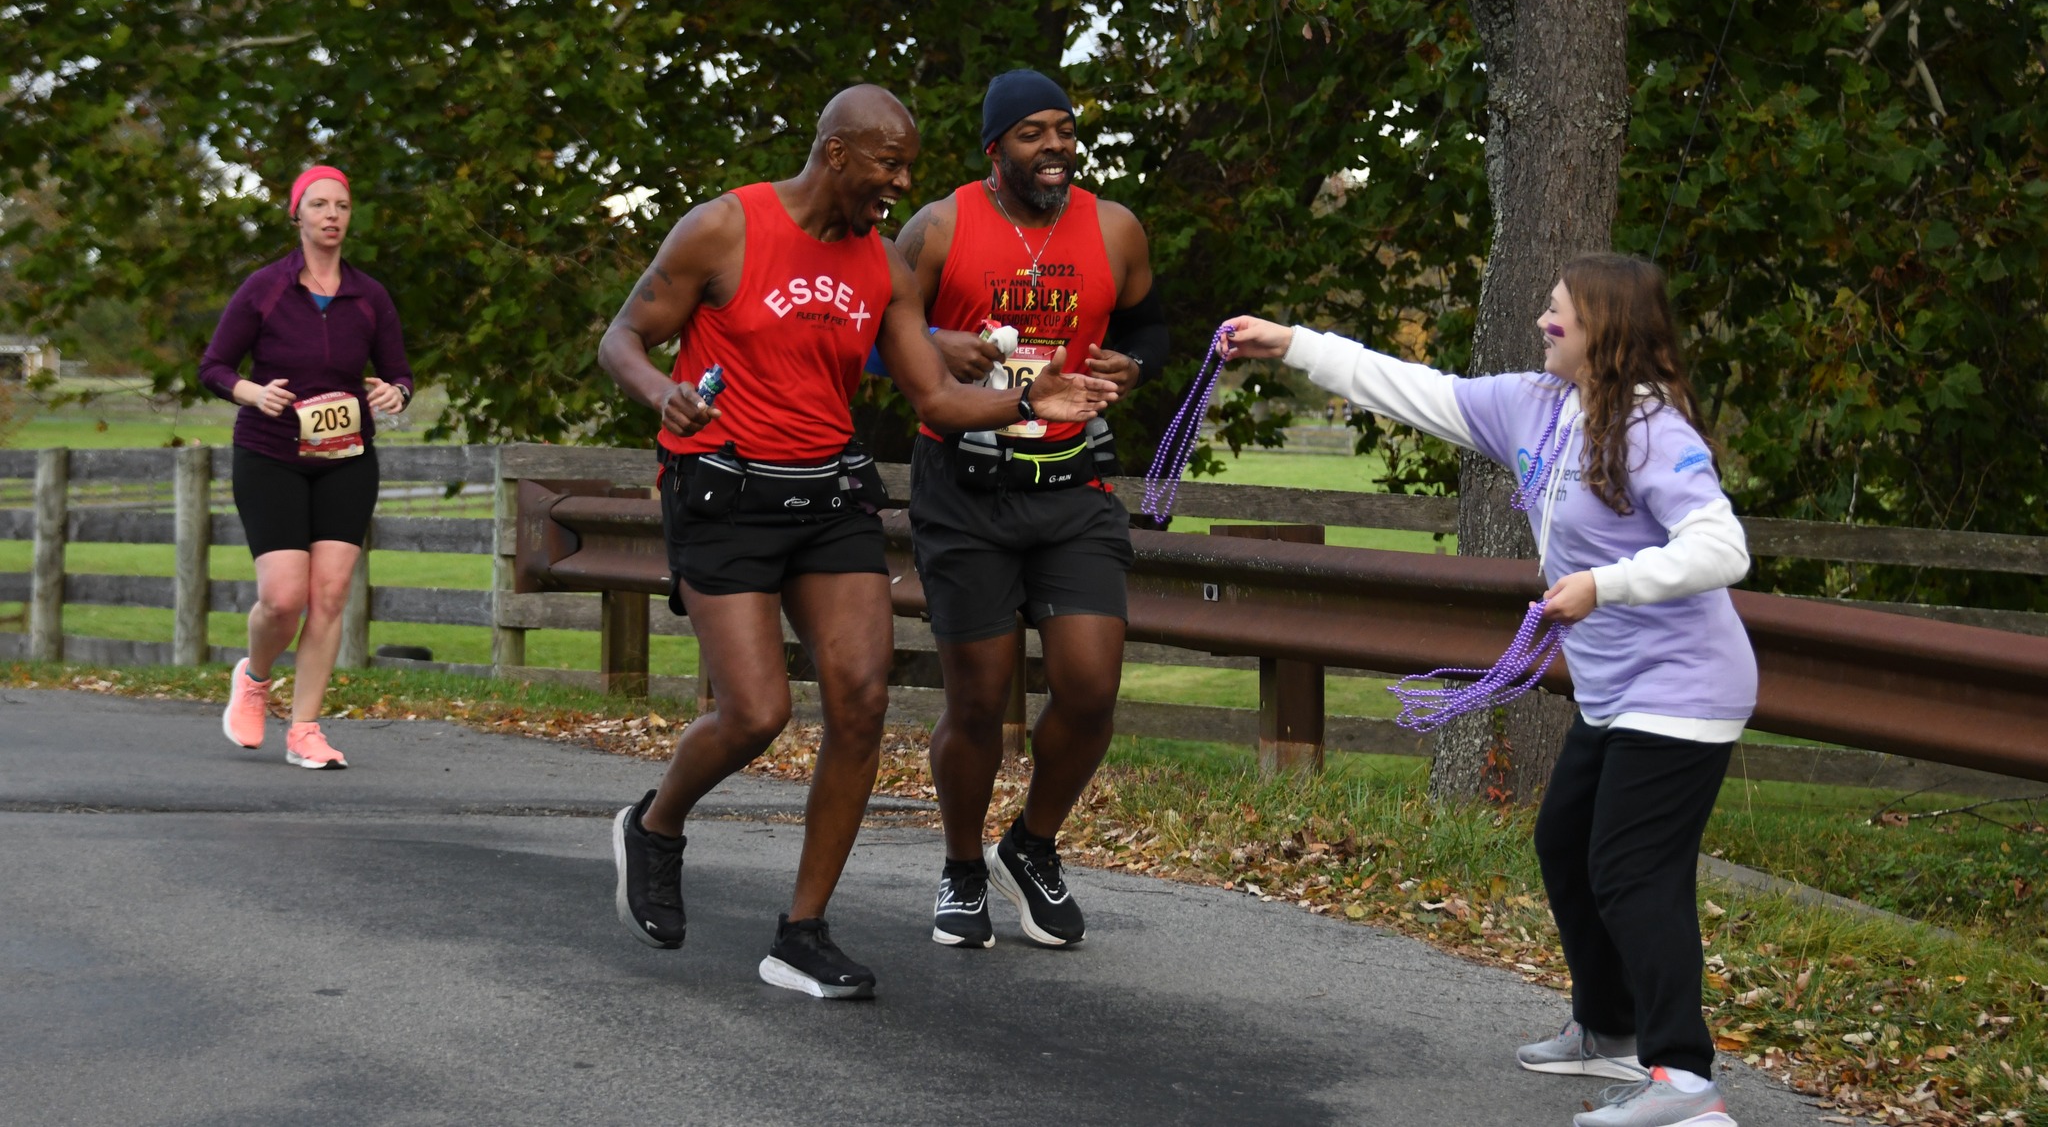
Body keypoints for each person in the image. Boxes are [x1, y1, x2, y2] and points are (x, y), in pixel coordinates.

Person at [596, 84, 1118, 1001]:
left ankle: (803, 932)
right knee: (755, 713)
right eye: (888, 163)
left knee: (863, 702)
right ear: (836, 153)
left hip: (829, 497)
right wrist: (658, 392)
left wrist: (1034, 401)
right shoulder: (726, 228)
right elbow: (623, 336)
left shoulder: (884, 264)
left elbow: (938, 400)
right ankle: (656, 825)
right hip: (723, 494)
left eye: (908, 164)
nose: (901, 183)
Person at [1221, 253, 1753, 1127]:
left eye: (1562, 315)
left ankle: (1686, 1084)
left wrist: (1604, 584)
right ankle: (1608, 1025)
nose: (1545, 323)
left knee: (1630, 869)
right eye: (1548, 309)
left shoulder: (1655, 429)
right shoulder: (1534, 406)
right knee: (1563, 841)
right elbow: (1410, 388)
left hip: (1686, 687)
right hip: (1617, 688)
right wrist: (1291, 344)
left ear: (1607, 332)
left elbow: (1722, 546)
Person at [890, 69, 1166, 950]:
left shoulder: (1113, 227)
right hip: (964, 489)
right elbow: (868, 336)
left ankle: (1032, 845)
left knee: (1090, 687)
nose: (1055, 147)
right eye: (1032, 133)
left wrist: (1132, 364)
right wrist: (940, 341)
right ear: (994, 149)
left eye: (1065, 130)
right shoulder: (938, 227)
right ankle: (963, 868)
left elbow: (1154, 324)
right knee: (977, 702)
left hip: (1074, 484)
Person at [200, 164, 414, 770]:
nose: (331, 216)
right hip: (271, 455)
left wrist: (395, 393)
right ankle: (255, 678)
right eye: (318, 205)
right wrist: (252, 392)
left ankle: (305, 730)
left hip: (346, 458)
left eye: (341, 206)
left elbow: (400, 372)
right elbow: (213, 366)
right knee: (284, 597)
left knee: (330, 594)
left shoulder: (369, 296)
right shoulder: (265, 288)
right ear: (297, 215)